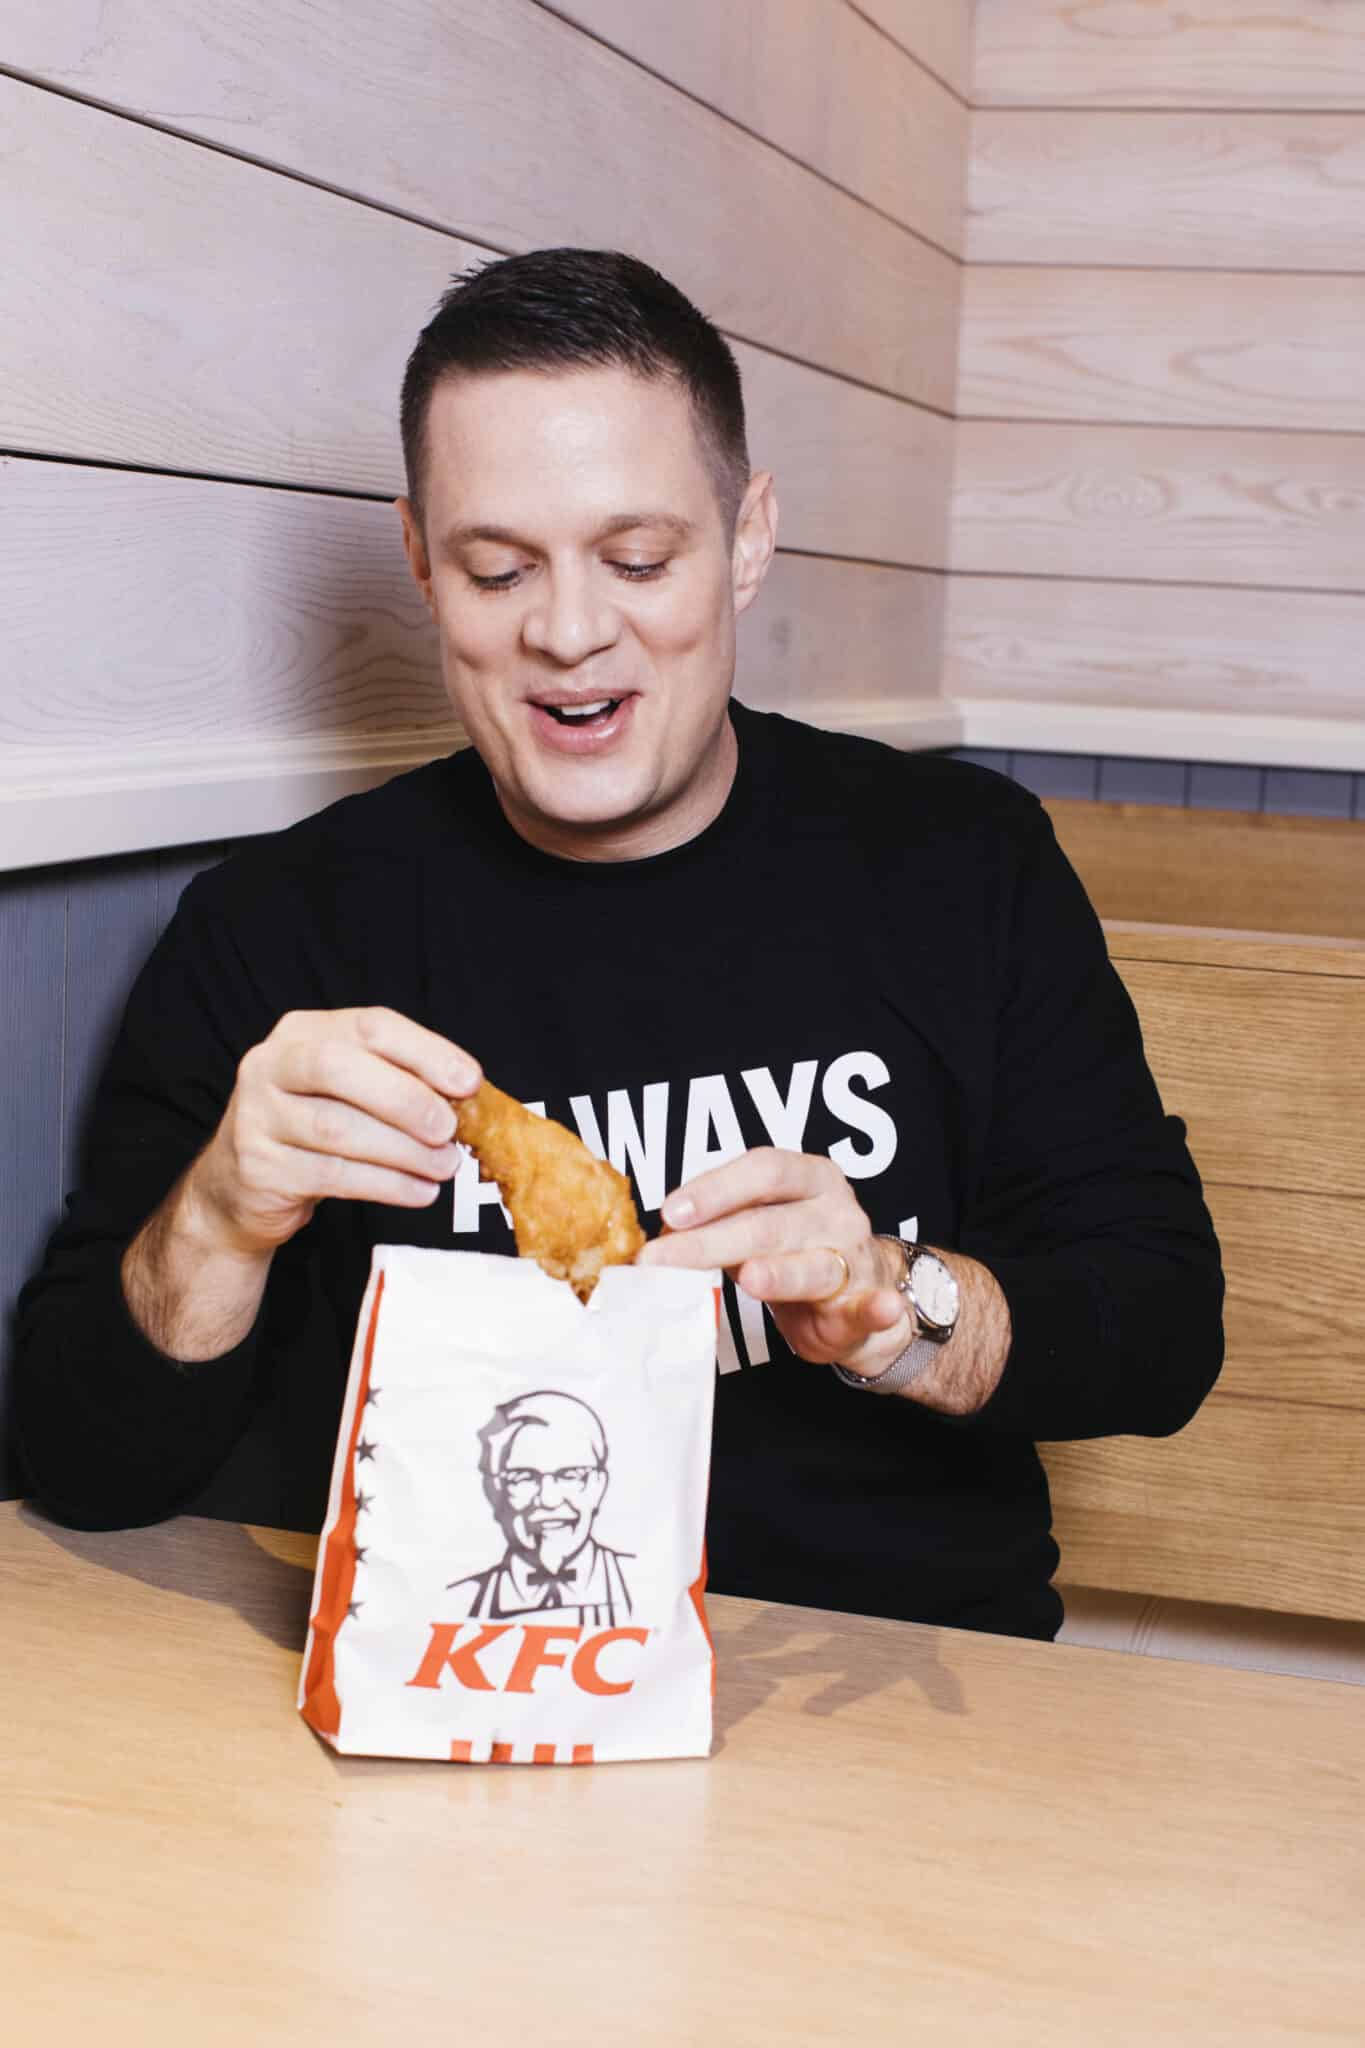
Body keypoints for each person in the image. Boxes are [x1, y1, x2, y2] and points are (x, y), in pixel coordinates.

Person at [13, 247, 1224, 1641]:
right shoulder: (280, 929)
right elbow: (82, 1466)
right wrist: (220, 1217)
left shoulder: (956, 859)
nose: (570, 633)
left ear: (747, 538)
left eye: (637, 559)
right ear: (421, 563)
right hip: (452, 1682)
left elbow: (1159, 1326)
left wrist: (894, 1306)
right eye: (496, 568)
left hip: (883, 1674)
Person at [452, 1391, 632, 1628]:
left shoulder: (647, 1584)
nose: (549, 1500)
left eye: (570, 1475)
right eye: (524, 1477)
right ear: (496, 1490)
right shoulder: (455, 1600)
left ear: (598, 1486)